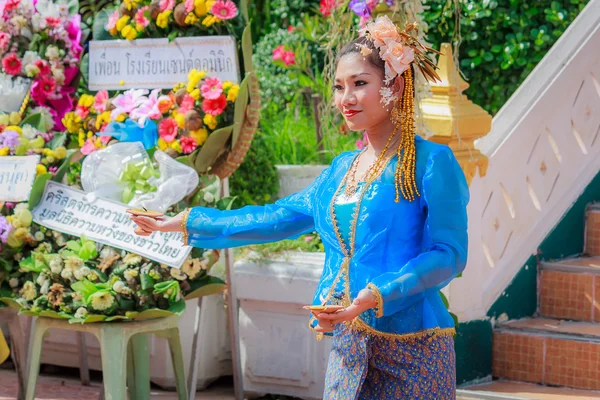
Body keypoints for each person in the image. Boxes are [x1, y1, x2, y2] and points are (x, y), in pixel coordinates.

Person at [131, 15, 469, 400]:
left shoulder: (430, 162)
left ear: (394, 86)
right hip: (349, 341)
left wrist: (378, 294)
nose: (346, 99)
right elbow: (276, 218)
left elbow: (451, 254)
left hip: (414, 346)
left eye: (360, 84)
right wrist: (185, 222)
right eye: (340, 87)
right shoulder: (342, 168)